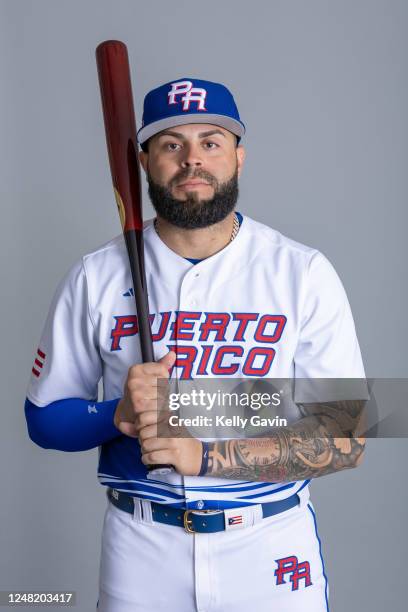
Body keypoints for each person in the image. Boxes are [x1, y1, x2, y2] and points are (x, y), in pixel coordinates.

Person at [25, 77, 367, 612]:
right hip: (141, 547)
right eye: (171, 144)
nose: (192, 160)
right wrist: (119, 413)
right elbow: (43, 420)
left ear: (239, 156)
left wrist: (204, 457)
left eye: (210, 142)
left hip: (269, 546)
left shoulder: (301, 271)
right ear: (143, 162)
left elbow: (347, 436)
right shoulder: (95, 275)